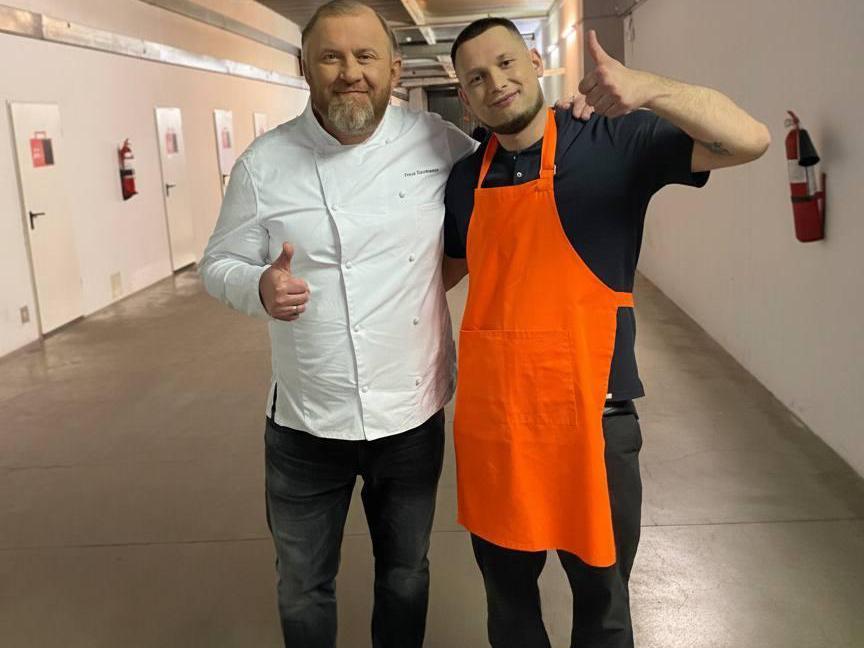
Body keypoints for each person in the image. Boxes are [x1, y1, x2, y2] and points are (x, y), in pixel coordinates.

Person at [199, 2, 590, 646]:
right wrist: (258, 286)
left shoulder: (437, 142)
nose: (350, 72)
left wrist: (568, 122)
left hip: (409, 417)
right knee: (302, 585)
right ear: (304, 68)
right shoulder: (262, 164)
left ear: (394, 68)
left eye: (365, 56)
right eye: (330, 57)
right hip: (305, 422)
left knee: (406, 575)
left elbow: (515, 158)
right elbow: (218, 262)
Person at [442, 18, 770, 648]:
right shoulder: (464, 179)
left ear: (534, 60)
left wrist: (649, 88)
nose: (496, 83)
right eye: (476, 78)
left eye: (505, 63)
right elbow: (447, 269)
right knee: (509, 608)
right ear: (464, 96)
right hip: (497, 426)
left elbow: (749, 140)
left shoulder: (611, 140)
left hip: (596, 420)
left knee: (604, 606)